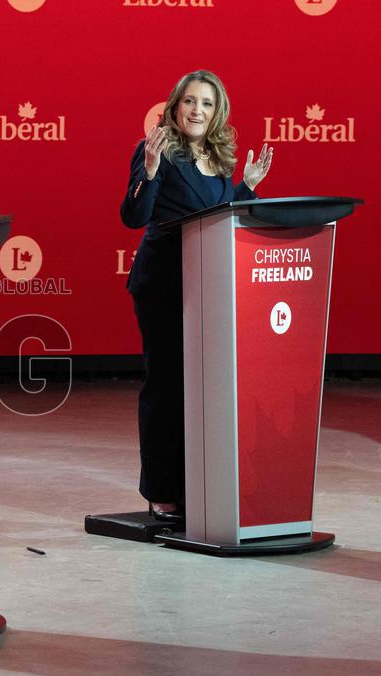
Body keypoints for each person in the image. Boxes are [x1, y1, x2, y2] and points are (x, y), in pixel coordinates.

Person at [119, 70, 273, 521]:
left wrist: (246, 188)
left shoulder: (218, 159)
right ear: (175, 105)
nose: (197, 111)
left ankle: (197, 483)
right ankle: (160, 488)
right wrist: (147, 174)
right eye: (190, 101)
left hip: (208, 288)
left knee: (202, 391)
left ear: (217, 111)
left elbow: (216, 219)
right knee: (166, 387)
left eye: (206, 103)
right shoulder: (158, 150)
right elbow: (133, 216)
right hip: (163, 286)